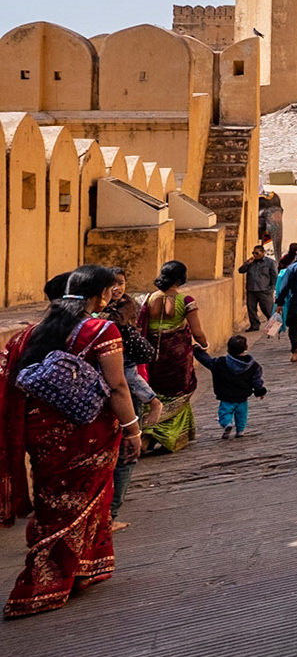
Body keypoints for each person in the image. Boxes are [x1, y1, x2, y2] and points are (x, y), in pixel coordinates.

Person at [0, 264, 142, 618]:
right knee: (82, 501)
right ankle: (40, 583)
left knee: (55, 502)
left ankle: (80, 566)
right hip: (87, 433)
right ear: (100, 294)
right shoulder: (102, 330)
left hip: (41, 435)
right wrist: (133, 428)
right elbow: (118, 387)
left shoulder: (30, 333)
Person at [99, 269, 154, 529]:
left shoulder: (120, 310)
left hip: (104, 395)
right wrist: (151, 399)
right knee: (125, 455)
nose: (117, 289)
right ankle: (110, 515)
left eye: (120, 284)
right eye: (112, 285)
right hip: (123, 396)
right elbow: (126, 374)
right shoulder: (112, 325)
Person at [140, 261, 207, 452]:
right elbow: (197, 332)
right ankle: (165, 434)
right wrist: (204, 344)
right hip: (176, 358)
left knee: (154, 390)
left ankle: (147, 433)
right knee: (178, 392)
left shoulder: (149, 298)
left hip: (152, 356)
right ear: (180, 279)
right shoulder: (185, 300)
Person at [193, 335, 265, 439]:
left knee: (225, 413)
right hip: (242, 397)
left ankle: (227, 424)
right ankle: (240, 431)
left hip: (226, 397)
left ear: (228, 349)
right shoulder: (253, 366)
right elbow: (256, 381)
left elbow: (207, 361)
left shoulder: (220, 363)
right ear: (246, 348)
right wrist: (260, 391)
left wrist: (197, 351)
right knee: (242, 415)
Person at [237, 245, 277, 332]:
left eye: (257, 253)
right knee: (251, 309)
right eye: (253, 253)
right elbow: (240, 270)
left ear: (262, 253)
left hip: (264, 290)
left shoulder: (270, 262)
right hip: (251, 289)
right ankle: (254, 325)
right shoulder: (251, 262)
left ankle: (273, 326)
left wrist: (271, 289)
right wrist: (248, 263)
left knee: (267, 309)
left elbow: (274, 277)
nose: (254, 255)